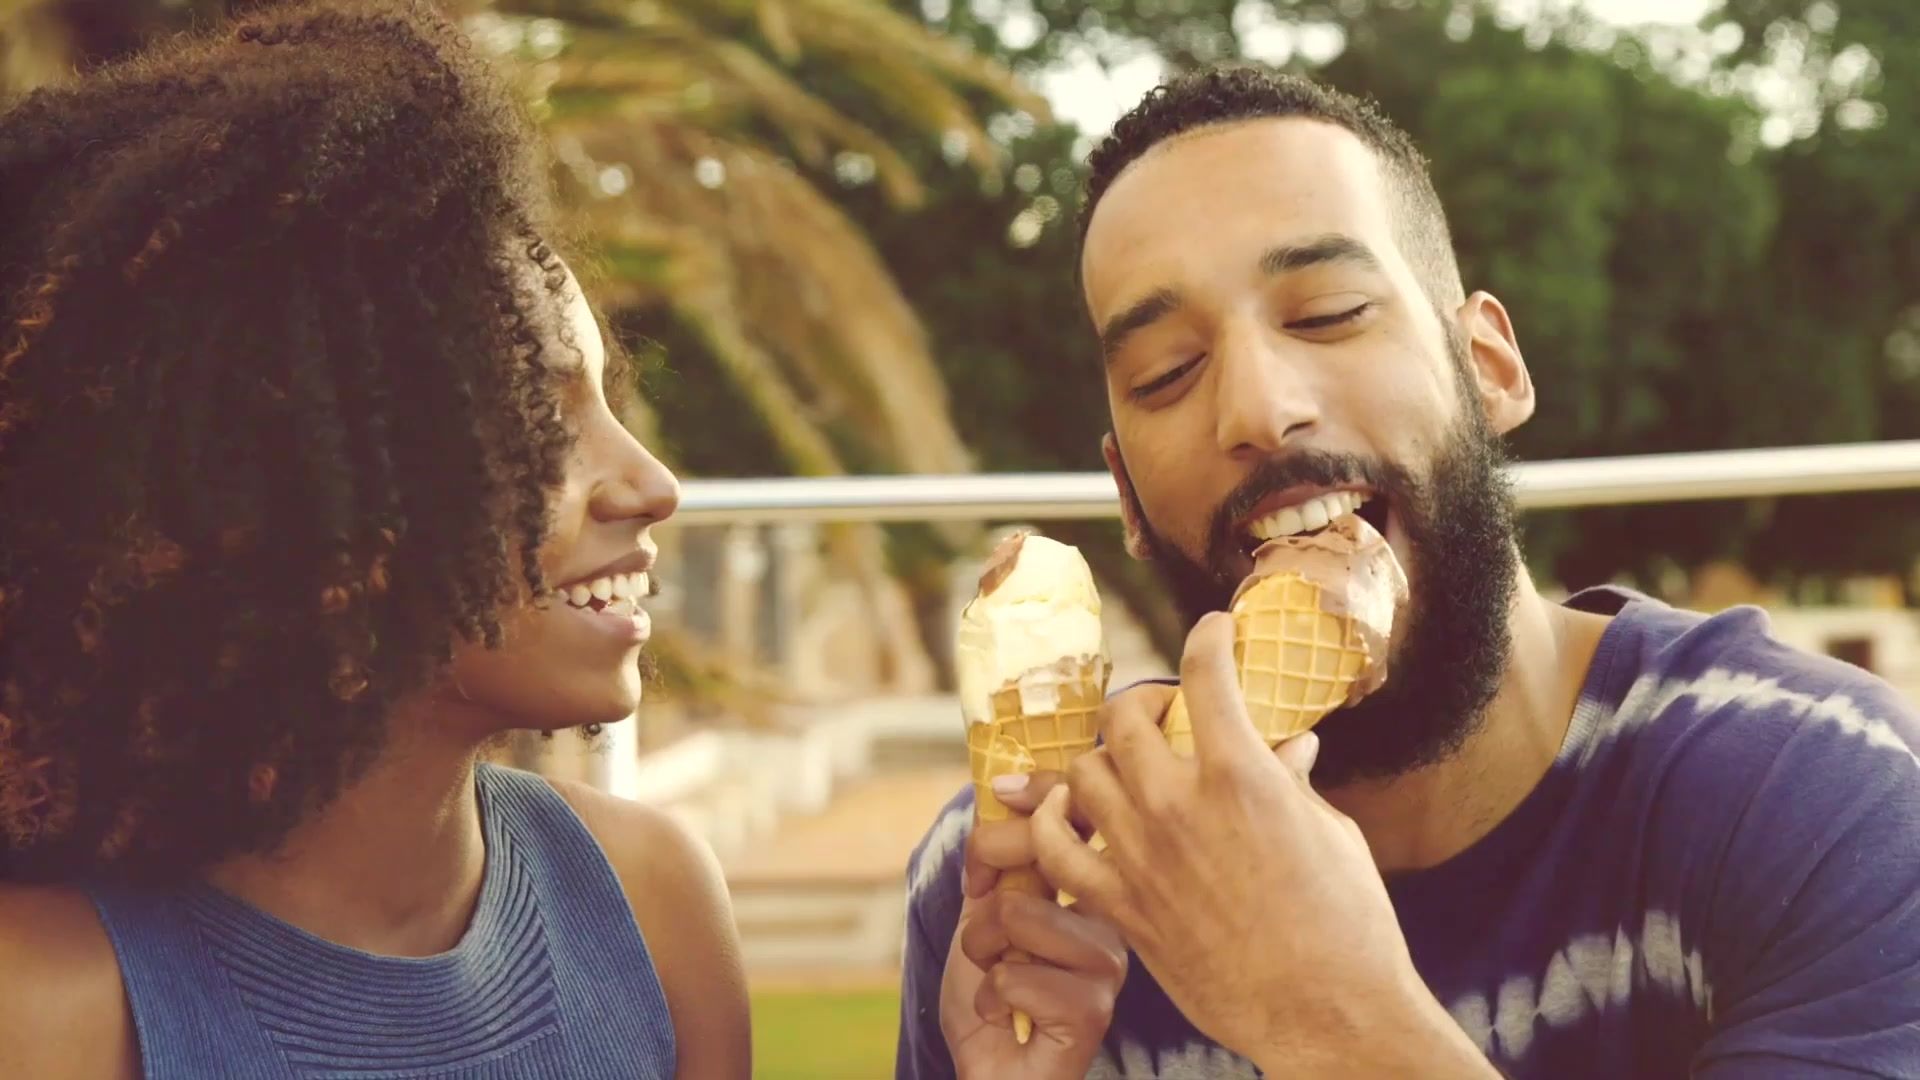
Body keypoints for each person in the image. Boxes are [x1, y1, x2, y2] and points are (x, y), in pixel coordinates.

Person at [897, 64, 1920, 1080]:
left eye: (1329, 312)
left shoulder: (1822, 798)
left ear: (1489, 368)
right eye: (1168, 372)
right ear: (1126, 494)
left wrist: (1330, 1021)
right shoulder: (1017, 902)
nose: (1257, 408)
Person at [0, 3, 749, 1077]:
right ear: (287, 494)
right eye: (539, 419)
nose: (651, 485)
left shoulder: (652, 906)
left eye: (606, 403)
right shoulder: (54, 1004)